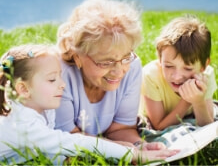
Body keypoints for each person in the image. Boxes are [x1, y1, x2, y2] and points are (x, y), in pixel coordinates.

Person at [0, 44, 178, 164]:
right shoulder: (22, 123)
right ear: (23, 89)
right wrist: (133, 155)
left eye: (60, 76)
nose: (62, 84)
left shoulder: (41, 109)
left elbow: (50, 149)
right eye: (52, 79)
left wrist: (124, 146)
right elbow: (71, 143)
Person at [54, 0, 174, 152]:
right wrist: (121, 150)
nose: (119, 71)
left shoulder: (132, 67)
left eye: (126, 57)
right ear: (78, 57)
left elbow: (121, 128)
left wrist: (140, 146)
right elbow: (68, 139)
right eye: (106, 62)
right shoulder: (58, 75)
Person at [139, 16, 217, 131]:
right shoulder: (151, 76)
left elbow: (207, 128)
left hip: (187, 117)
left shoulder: (206, 75)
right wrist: (186, 100)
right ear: (160, 59)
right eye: (169, 66)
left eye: (188, 68)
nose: (176, 76)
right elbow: (158, 126)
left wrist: (199, 102)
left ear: (203, 66)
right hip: (157, 121)